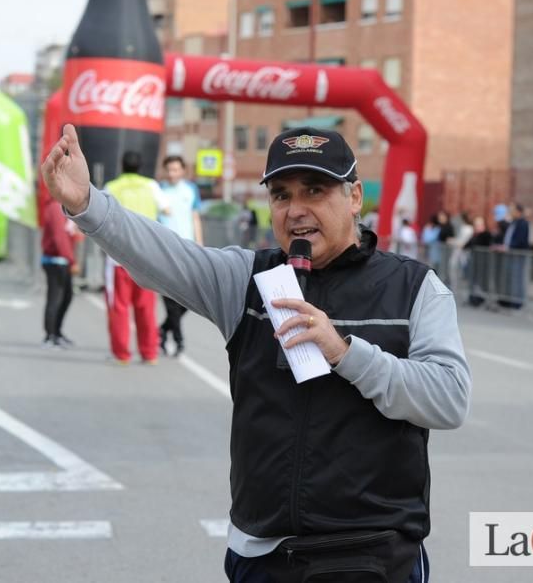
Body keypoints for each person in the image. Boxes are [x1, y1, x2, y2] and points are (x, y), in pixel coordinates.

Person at [43, 124, 469, 582]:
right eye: (281, 195)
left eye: (315, 190)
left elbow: (448, 398)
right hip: (263, 554)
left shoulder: (415, 287)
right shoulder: (247, 278)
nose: (296, 210)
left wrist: (345, 353)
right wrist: (86, 203)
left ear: (354, 196)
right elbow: (165, 255)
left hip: (371, 551)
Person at [103, 151, 170, 365]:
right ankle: (149, 353)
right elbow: (167, 210)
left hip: (118, 257)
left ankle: (122, 354)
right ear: (141, 166)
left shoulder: (112, 187)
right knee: (146, 307)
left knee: (119, 307)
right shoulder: (151, 186)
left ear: (122, 166)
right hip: (146, 257)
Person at [158, 155, 203, 356]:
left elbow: (195, 217)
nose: (172, 173)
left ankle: (163, 329)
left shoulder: (190, 190)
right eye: (169, 170)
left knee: (190, 299)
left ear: (183, 170)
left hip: (188, 251)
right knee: (170, 300)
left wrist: (200, 244)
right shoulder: (158, 190)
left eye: (176, 169)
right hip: (165, 251)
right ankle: (179, 341)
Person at [40, 197, 78, 348]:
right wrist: (71, 260)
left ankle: (56, 332)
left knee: (67, 297)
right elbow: (59, 237)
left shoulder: (65, 206)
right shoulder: (56, 207)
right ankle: (50, 335)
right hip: (56, 260)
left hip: (63, 259)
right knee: (55, 298)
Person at [498, 203, 530, 309]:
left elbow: (521, 240)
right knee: (509, 277)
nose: (510, 213)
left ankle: (517, 301)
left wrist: (509, 247)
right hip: (510, 253)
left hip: (517, 254)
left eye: (512, 210)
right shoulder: (513, 222)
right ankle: (508, 299)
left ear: (518, 212)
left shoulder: (523, 223)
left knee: (517, 278)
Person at [464, 215, 492, 307]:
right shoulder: (474, 235)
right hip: (474, 262)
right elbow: (467, 245)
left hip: (483, 263)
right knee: (473, 281)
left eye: (479, 225)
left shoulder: (486, 234)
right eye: (476, 225)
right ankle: (473, 298)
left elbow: (485, 245)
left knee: (481, 282)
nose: (477, 227)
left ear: (483, 225)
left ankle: (481, 299)